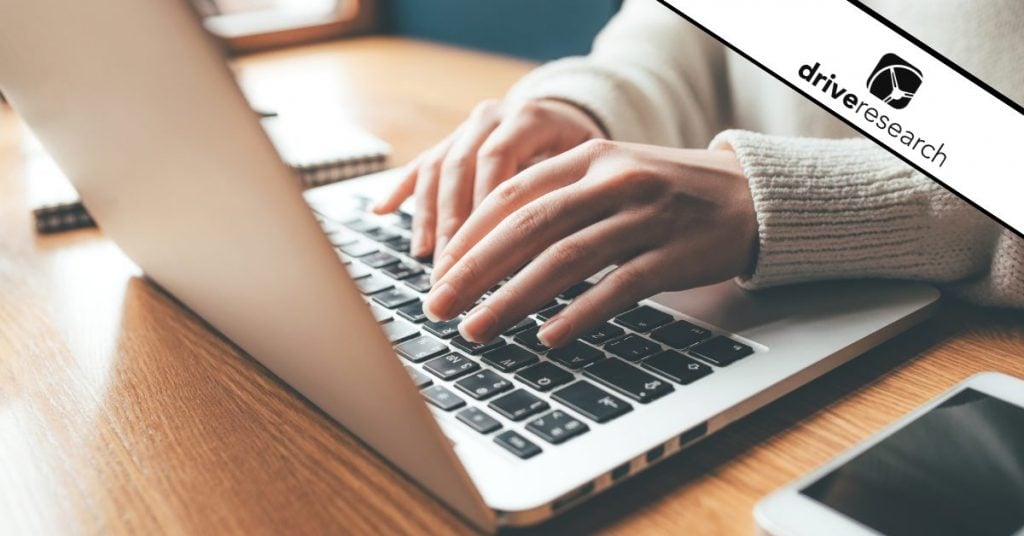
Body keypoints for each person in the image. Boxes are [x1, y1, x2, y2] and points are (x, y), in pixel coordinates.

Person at [372, 0, 1024, 348]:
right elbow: (683, 27)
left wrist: (780, 198)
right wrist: (584, 105)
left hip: (971, 367)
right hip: (755, 304)